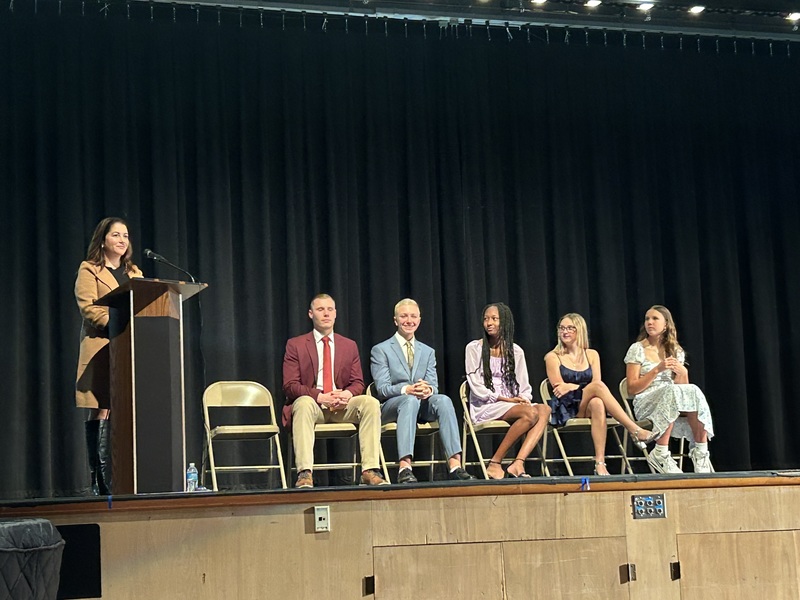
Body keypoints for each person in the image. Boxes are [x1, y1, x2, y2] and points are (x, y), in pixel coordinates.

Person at [282, 294, 388, 488]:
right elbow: (290, 385)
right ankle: (305, 473)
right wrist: (320, 396)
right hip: (314, 405)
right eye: (321, 309)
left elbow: (357, 382)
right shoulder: (296, 345)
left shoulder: (349, 345)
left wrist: (347, 394)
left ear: (336, 314)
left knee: (370, 402)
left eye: (330, 309)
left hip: (342, 406)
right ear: (310, 313)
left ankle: (370, 469)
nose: (326, 314)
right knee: (303, 403)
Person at [370, 298, 476, 483]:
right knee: (409, 400)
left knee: (443, 399)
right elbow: (382, 389)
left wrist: (427, 390)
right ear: (396, 320)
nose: (409, 320)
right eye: (404, 316)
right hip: (392, 406)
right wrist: (407, 389)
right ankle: (405, 467)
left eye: (413, 316)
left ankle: (455, 465)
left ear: (419, 320)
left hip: (421, 406)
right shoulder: (381, 350)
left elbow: (434, 385)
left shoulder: (427, 351)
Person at [75, 217, 143, 495]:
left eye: (125, 235)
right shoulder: (89, 269)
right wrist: (115, 323)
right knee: (102, 407)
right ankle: (100, 482)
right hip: (102, 345)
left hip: (131, 347)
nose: (122, 240)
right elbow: (88, 307)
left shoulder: (135, 273)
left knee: (127, 408)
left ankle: (128, 477)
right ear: (103, 240)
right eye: (116, 235)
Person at [544, 313, 656, 476]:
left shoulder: (592, 355)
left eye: (569, 328)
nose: (564, 332)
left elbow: (596, 382)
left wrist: (572, 385)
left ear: (579, 330)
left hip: (585, 403)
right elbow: (559, 388)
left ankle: (600, 463)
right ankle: (634, 429)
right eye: (561, 328)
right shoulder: (552, 357)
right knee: (597, 389)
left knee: (597, 403)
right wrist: (572, 386)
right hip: (565, 406)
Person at [624, 305, 715, 474]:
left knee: (693, 390)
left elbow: (684, 390)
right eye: (647, 319)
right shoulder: (637, 349)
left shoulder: (675, 350)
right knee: (671, 392)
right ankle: (660, 452)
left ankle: (701, 452)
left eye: (655, 319)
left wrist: (683, 373)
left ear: (666, 324)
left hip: (672, 400)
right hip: (646, 400)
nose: (649, 322)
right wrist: (656, 370)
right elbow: (632, 388)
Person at [465, 303, 550, 479]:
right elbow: (476, 386)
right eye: (486, 319)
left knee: (544, 410)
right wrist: (505, 399)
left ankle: (518, 462)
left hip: (512, 404)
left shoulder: (516, 351)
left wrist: (523, 398)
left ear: (505, 322)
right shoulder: (474, 348)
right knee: (529, 414)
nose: (489, 323)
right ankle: (495, 462)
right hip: (486, 404)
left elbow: (524, 385)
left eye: (494, 319)